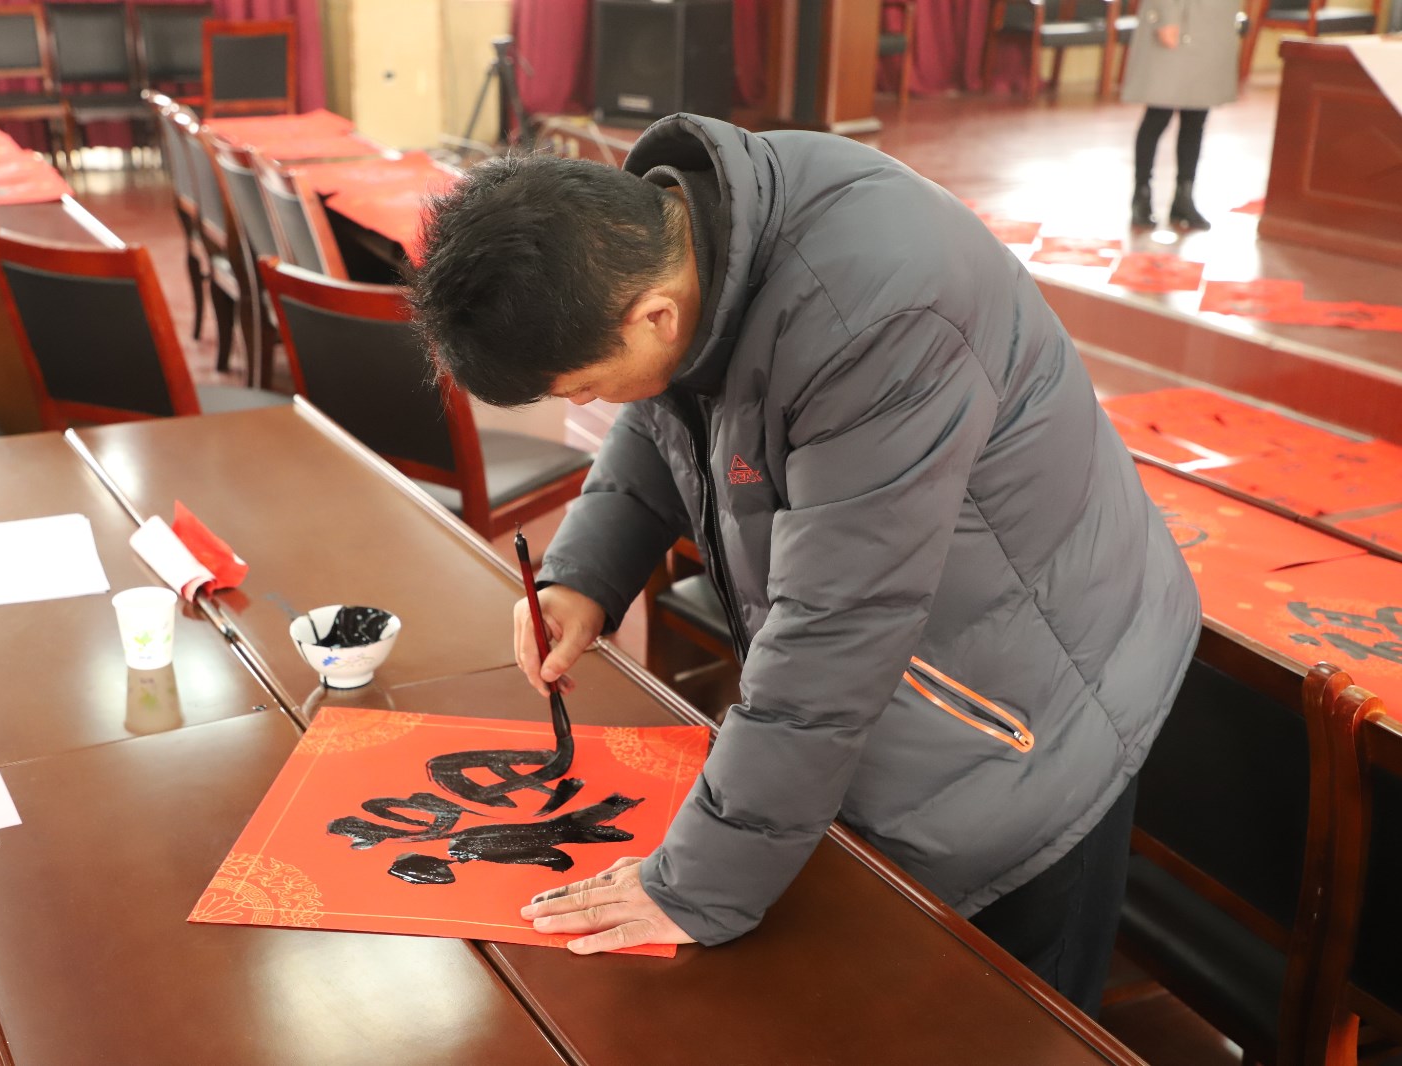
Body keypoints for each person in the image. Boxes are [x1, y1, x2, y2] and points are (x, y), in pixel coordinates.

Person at [407, 114, 1200, 1016]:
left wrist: (693, 886)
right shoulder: (682, 237)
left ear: (652, 314)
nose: (593, 402)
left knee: (1010, 1019)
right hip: (926, 663)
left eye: (582, 387)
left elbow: (836, 628)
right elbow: (665, 404)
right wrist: (583, 574)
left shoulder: (877, 318)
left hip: (1030, 705)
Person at [1121, 0, 1243, 230]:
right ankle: (1141, 195)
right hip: (1182, 21)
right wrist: (1167, 16)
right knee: (1158, 114)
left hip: (1210, 25)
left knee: (1196, 116)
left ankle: (1184, 197)